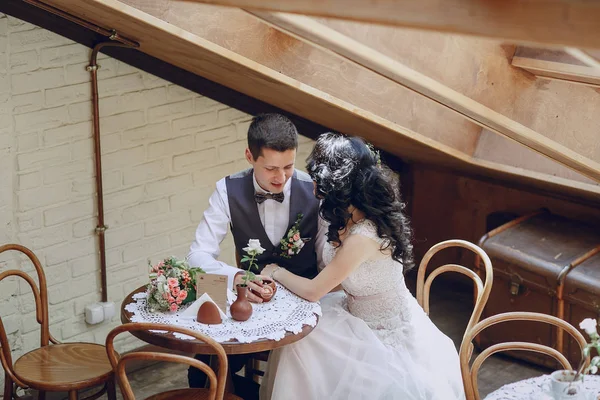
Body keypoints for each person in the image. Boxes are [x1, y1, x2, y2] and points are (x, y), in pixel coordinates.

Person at [260, 133, 465, 400]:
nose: (312, 186)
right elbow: (333, 281)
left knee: (304, 346)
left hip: (382, 333)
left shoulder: (363, 236)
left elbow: (314, 291)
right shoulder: (349, 217)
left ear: (332, 185)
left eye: (316, 180)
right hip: (353, 312)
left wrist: (275, 271)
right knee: (300, 339)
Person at [186, 113, 327, 399]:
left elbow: (328, 263)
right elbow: (197, 254)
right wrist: (237, 277)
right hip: (249, 307)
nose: (281, 178)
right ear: (250, 156)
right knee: (202, 368)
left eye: (288, 166)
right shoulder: (227, 189)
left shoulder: (315, 191)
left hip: (304, 307)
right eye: (271, 168)